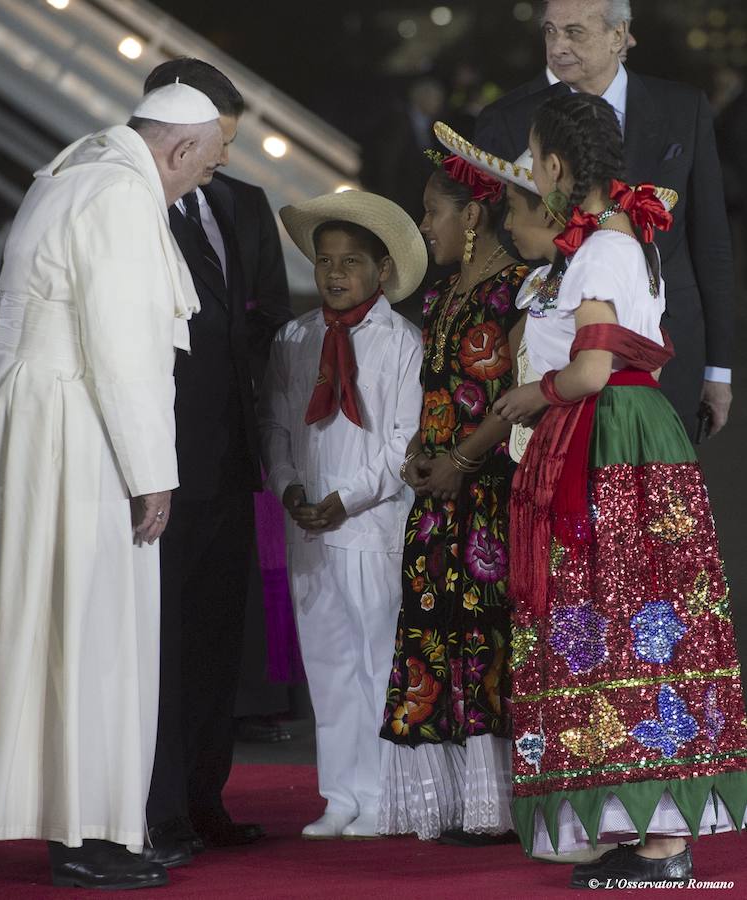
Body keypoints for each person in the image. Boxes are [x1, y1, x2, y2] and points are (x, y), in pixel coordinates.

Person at [0, 83, 223, 890]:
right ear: (177, 150)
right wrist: (153, 475)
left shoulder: (76, 173)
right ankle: (89, 834)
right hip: (74, 421)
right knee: (96, 623)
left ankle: (84, 824)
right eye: (206, 167)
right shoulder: (116, 193)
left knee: (61, 619)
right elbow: (123, 348)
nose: (203, 182)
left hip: (39, 412)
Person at [489, 92, 747, 888]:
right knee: (637, 624)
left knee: (625, 620)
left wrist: (532, 395)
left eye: (536, 160)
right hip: (634, 438)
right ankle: (644, 831)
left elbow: (594, 369)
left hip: (610, 444)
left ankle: (662, 842)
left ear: (561, 167)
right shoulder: (630, 238)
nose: (533, 174)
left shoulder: (604, 246)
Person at [139, 59, 292, 864]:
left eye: (230, 142)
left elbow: (265, 322)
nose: (224, 159)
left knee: (214, 641)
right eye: (214, 143)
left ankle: (206, 801)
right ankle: (156, 811)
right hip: (158, 466)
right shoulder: (133, 205)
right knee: (156, 646)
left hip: (234, 461)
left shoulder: (243, 204)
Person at [474, 0, 734, 439]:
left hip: (669, 352)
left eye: (574, 32)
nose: (558, 47)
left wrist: (718, 370)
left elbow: (710, 241)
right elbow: (497, 244)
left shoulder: (682, 108)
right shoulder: (510, 118)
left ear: (619, 35)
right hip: (555, 363)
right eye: (550, 32)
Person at [259, 190, 426, 838]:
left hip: (372, 530)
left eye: (351, 261)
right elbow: (276, 424)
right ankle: (341, 794)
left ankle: (384, 792)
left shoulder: (400, 342)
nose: (334, 274)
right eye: (325, 260)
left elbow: (402, 444)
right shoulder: (295, 339)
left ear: (381, 271)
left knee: (378, 663)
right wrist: (289, 488)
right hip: (309, 532)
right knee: (326, 667)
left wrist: (344, 497)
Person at [378, 151, 528, 843]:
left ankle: (498, 802)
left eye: (433, 211)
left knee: (485, 633)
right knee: (436, 633)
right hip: (438, 497)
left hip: (491, 493)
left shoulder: (521, 291)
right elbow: (438, 394)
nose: (424, 225)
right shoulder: (441, 296)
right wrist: (418, 452)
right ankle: (457, 801)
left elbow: (515, 400)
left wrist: (462, 462)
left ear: (473, 215)